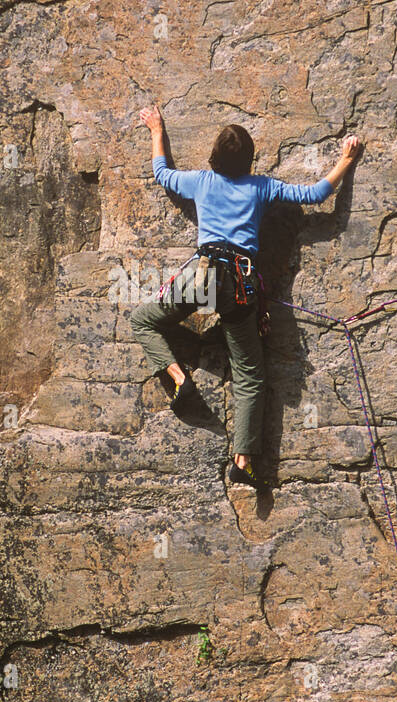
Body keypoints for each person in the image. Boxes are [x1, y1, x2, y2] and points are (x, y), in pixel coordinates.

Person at [130, 104, 363, 491]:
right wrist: (346, 160)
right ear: (250, 159)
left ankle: (176, 377)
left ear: (214, 158)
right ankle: (243, 460)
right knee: (250, 376)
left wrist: (156, 129)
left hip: (202, 276)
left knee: (143, 319)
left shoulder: (201, 182)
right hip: (240, 284)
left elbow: (162, 174)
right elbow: (317, 193)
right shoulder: (263, 187)